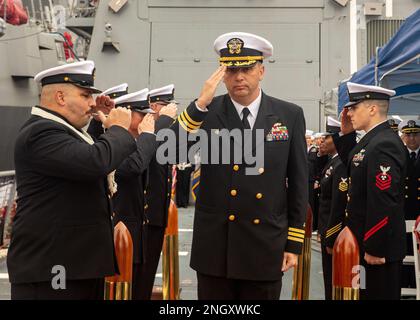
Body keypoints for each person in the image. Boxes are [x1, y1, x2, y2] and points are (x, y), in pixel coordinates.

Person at [169, 32, 308, 299]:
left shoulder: (288, 115)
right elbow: (172, 152)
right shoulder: (207, 112)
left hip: (265, 244)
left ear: (261, 71)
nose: (239, 77)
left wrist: (294, 242)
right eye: (231, 70)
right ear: (222, 75)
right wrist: (199, 104)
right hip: (217, 248)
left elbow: (299, 182)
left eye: (246, 68)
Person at [7, 60, 137, 299]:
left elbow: (85, 151)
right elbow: (94, 161)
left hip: (74, 266)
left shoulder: (61, 132)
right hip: (54, 270)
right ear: (60, 97)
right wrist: (119, 129)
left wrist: (102, 121)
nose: (92, 103)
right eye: (86, 95)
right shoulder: (41, 133)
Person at [333, 82, 407, 300]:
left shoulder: (384, 144)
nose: (349, 113)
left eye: (355, 107)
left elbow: (383, 200)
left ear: (372, 109)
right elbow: (354, 166)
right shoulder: (373, 141)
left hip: (376, 248)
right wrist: (346, 135)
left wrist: (375, 247)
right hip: (364, 244)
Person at [111, 89, 171, 300]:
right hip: (120, 234)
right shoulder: (115, 145)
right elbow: (134, 167)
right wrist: (149, 134)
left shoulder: (135, 143)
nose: (147, 118)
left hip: (138, 232)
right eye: (140, 113)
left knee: (138, 289)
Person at [137, 84, 178, 299]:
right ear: (153, 106)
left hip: (156, 217)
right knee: (139, 278)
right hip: (143, 218)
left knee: (147, 277)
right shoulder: (145, 132)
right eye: (166, 105)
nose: (172, 110)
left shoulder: (163, 132)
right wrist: (162, 121)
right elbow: (145, 158)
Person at [317, 127, 347, 300]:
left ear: (336, 139)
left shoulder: (340, 164)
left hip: (333, 231)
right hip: (325, 226)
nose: (322, 141)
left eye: (327, 137)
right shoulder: (332, 161)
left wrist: (331, 235)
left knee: (333, 277)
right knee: (329, 277)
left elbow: (338, 203)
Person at [398, 119, 420, 290]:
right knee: (404, 249)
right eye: (408, 134)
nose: (412, 138)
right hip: (404, 211)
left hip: (419, 213)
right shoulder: (398, 155)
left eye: (415, 134)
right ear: (403, 137)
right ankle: (405, 282)